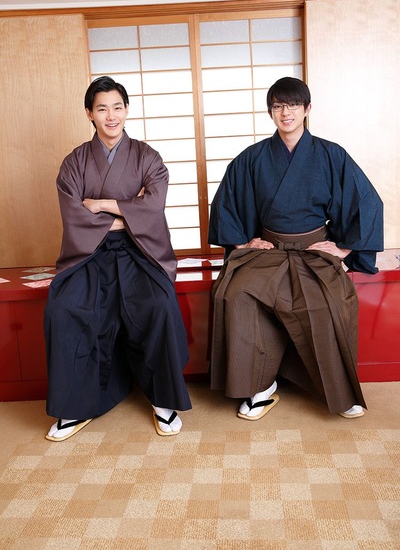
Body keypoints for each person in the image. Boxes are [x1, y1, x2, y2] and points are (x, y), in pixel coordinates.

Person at [208, 77, 383, 421]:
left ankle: (339, 388)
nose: (285, 112)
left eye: (293, 105)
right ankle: (260, 385)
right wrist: (244, 243)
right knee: (237, 294)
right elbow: (227, 202)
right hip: (268, 251)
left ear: (307, 109)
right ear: (270, 112)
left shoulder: (331, 155)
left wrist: (343, 248)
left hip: (313, 252)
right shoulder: (252, 159)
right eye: (278, 106)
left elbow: (365, 201)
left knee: (329, 301)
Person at [44, 76, 191, 441]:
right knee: (63, 308)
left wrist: (101, 205)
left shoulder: (147, 157)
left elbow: (153, 208)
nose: (111, 116)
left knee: (159, 304)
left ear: (127, 110)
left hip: (140, 250)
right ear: (89, 114)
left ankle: (163, 399)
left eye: (117, 107)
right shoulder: (75, 163)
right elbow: (75, 216)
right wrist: (128, 210)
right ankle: (73, 405)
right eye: (102, 109)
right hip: (88, 253)